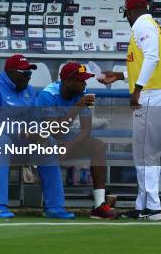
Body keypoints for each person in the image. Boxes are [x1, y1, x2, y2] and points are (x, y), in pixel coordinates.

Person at [99, 0, 161, 221]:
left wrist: (137, 89)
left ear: (132, 12)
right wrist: (122, 76)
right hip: (154, 90)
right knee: (142, 150)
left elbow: (151, 58)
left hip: (152, 92)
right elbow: (146, 62)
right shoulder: (149, 25)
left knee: (146, 151)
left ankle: (153, 208)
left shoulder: (143, 24)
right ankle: (144, 206)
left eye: (127, 14)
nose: (128, 19)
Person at [0, 55, 74, 219]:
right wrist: (22, 131)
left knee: (48, 144)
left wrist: (40, 133)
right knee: (1, 142)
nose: (28, 76)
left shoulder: (29, 90)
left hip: (16, 142)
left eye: (30, 73)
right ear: (10, 72)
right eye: (24, 73)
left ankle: (55, 207)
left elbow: (35, 119)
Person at [37, 62, 118, 220]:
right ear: (67, 81)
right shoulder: (47, 95)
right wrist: (76, 107)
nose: (85, 83)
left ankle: (99, 206)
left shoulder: (84, 91)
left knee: (98, 146)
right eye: (80, 80)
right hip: (42, 139)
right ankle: (53, 206)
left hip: (65, 139)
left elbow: (86, 129)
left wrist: (69, 145)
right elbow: (54, 130)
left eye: (85, 79)